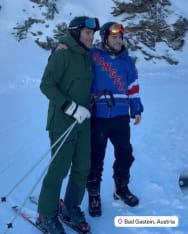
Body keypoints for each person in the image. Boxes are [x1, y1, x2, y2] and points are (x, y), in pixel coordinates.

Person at [37, 16, 99, 234]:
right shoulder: (62, 54)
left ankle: (70, 208)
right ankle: (46, 214)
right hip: (63, 121)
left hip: (82, 121)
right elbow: (46, 85)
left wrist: (91, 99)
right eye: (87, 33)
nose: (91, 37)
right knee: (59, 169)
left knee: (82, 167)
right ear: (75, 33)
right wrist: (71, 108)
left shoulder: (86, 55)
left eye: (92, 34)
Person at [86, 21, 143, 217]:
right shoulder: (93, 55)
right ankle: (94, 195)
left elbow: (133, 87)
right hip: (98, 117)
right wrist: (60, 47)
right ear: (105, 39)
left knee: (125, 154)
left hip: (120, 117)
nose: (118, 40)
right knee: (96, 158)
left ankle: (121, 188)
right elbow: (74, 59)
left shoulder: (127, 62)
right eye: (114, 37)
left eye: (120, 37)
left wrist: (136, 108)